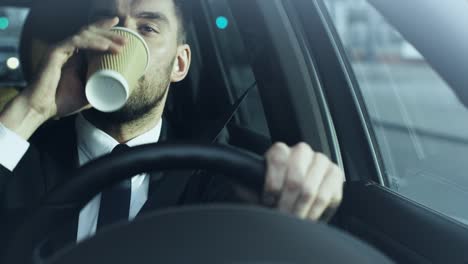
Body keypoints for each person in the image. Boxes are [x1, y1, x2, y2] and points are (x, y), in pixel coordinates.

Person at [0, 0, 344, 246]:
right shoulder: (20, 148)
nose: (120, 39)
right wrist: (33, 108)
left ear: (180, 64)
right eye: (106, 22)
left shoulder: (213, 172)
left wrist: (309, 184)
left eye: (147, 27)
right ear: (84, 47)